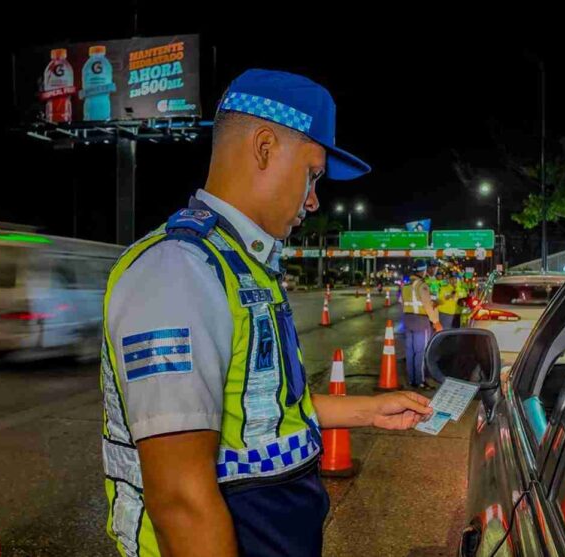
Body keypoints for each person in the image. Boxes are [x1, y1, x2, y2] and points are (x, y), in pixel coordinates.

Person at [100, 69, 434, 557]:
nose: (315, 199)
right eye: (313, 173)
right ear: (263, 147)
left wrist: (369, 410)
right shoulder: (179, 272)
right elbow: (181, 500)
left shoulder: (243, 267)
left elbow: (263, 413)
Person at [401, 260, 444, 390]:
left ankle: (411, 380)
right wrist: (436, 322)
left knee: (410, 351)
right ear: (423, 270)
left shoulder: (406, 285)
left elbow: (402, 302)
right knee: (421, 352)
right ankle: (420, 381)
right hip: (421, 321)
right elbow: (427, 305)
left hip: (408, 320)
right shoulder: (422, 285)